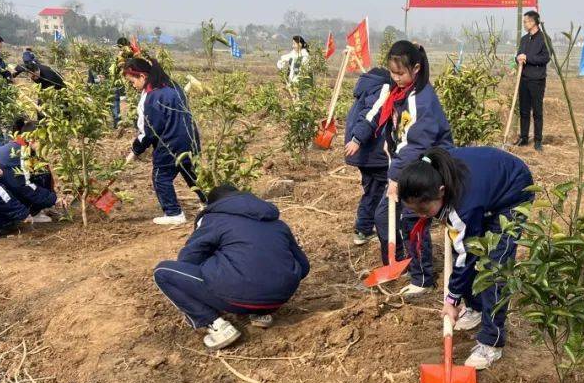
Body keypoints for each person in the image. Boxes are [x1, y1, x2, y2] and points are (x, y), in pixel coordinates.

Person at [397, 146, 533, 369]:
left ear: (441, 191)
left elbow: (466, 257)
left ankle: (492, 341)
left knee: (495, 267)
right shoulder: (432, 171)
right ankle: (476, 307)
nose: (422, 217)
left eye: (425, 210)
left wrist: (451, 300)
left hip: (513, 191)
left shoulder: (464, 204)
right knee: (462, 246)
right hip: (485, 191)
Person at [153, 183, 310, 350]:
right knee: (252, 267)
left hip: (237, 296)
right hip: (279, 298)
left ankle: (216, 326)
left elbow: (188, 260)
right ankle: (261, 314)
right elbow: (304, 266)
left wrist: (215, 263)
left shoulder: (215, 219)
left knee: (163, 272)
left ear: (214, 205)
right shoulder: (278, 223)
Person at [372, 40, 454, 296]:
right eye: (392, 72)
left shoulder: (422, 98)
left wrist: (396, 176)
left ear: (416, 69)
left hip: (426, 168)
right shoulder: (403, 93)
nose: (395, 78)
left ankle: (422, 277)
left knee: (412, 220)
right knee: (384, 217)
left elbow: (418, 142)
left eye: (400, 73)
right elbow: (404, 134)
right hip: (409, 163)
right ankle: (400, 263)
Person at [122, 56, 204, 225]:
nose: (133, 86)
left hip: (170, 141)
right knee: (191, 172)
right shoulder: (172, 86)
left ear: (142, 77)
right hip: (190, 138)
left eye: (132, 82)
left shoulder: (151, 97)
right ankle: (211, 202)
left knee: (161, 176)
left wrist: (136, 150)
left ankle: (174, 213)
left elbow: (150, 130)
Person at [343, 66, 392, 245]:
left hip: (365, 153)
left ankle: (364, 228)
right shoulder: (383, 88)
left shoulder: (365, 89)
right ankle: (364, 230)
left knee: (371, 190)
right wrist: (358, 139)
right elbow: (372, 115)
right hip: (372, 151)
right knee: (377, 191)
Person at [0, 118, 58, 223]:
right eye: (46, 141)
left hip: (0, 191)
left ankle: (39, 208)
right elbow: (25, 186)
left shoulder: (19, 146)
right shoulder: (20, 155)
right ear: (32, 139)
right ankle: (32, 212)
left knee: (42, 170)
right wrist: (53, 199)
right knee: (39, 175)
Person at [515, 10, 550, 151]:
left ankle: (537, 140)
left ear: (533, 22)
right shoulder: (524, 39)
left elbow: (545, 58)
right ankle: (523, 138)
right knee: (523, 111)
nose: (524, 24)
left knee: (537, 111)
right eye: (523, 21)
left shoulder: (544, 39)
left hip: (537, 80)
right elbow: (518, 55)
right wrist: (518, 58)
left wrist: (528, 58)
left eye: (526, 21)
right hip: (523, 79)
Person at [109, 37, 136, 127]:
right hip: (125, 80)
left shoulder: (127, 54)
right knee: (133, 101)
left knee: (116, 99)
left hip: (125, 80)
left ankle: (118, 123)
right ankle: (122, 123)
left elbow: (120, 66)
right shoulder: (130, 53)